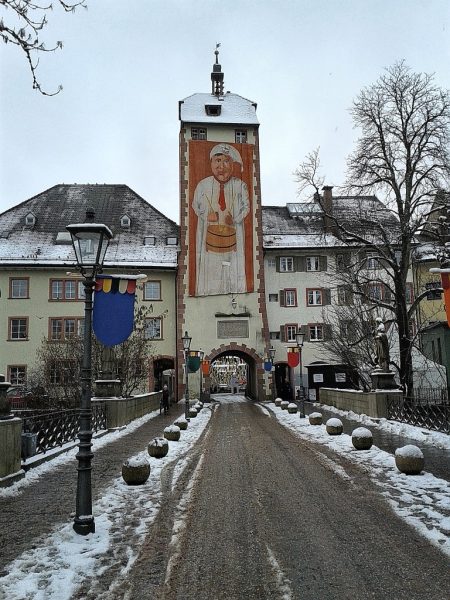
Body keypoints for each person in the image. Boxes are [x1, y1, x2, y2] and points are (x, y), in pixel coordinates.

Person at [192, 143, 250, 296]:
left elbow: (247, 207)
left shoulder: (240, 185)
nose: (221, 166)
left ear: (232, 164)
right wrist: (206, 216)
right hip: (209, 240)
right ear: (211, 163)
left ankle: (236, 295)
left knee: (233, 270)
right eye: (218, 161)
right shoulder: (203, 185)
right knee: (210, 270)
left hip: (233, 240)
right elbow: (194, 205)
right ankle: (207, 296)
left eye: (226, 161)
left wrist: (236, 219)